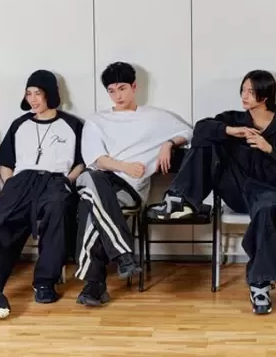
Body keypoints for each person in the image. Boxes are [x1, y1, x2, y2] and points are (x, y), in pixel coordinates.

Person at [147, 70, 276, 315]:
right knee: (208, 137)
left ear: (265, 95)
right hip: (234, 187)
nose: (244, 96)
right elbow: (200, 130)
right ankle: (179, 199)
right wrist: (230, 131)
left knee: (267, 210)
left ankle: (260, 285)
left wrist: (269, 149)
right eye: (243, 90)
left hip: (267, 189)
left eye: (251, 91)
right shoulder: (234, 119)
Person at [0, 70, 84, 323]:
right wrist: (9, 184)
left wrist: (68, 181)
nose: (33, 99)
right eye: (29, 94)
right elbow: (6, 162)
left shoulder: (72, 124)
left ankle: (45, 282)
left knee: (57, 211)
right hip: (20, 182)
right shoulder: (20, 124)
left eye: (38, 93)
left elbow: (82, 161)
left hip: (55, 181)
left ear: (51, 94)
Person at [74, 62, 193, 306]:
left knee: (90, 202)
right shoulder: (96, 120)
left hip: (130, 190)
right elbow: (95, 160)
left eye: (122, 89)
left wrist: (169, 143)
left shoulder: (155, 117)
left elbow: (191, 132)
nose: (117, 96)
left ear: (134, 87)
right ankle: (121, 257)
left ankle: (96, 282)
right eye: (112, 91)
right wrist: (125, 166)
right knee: (91, 178)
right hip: (102, 180)